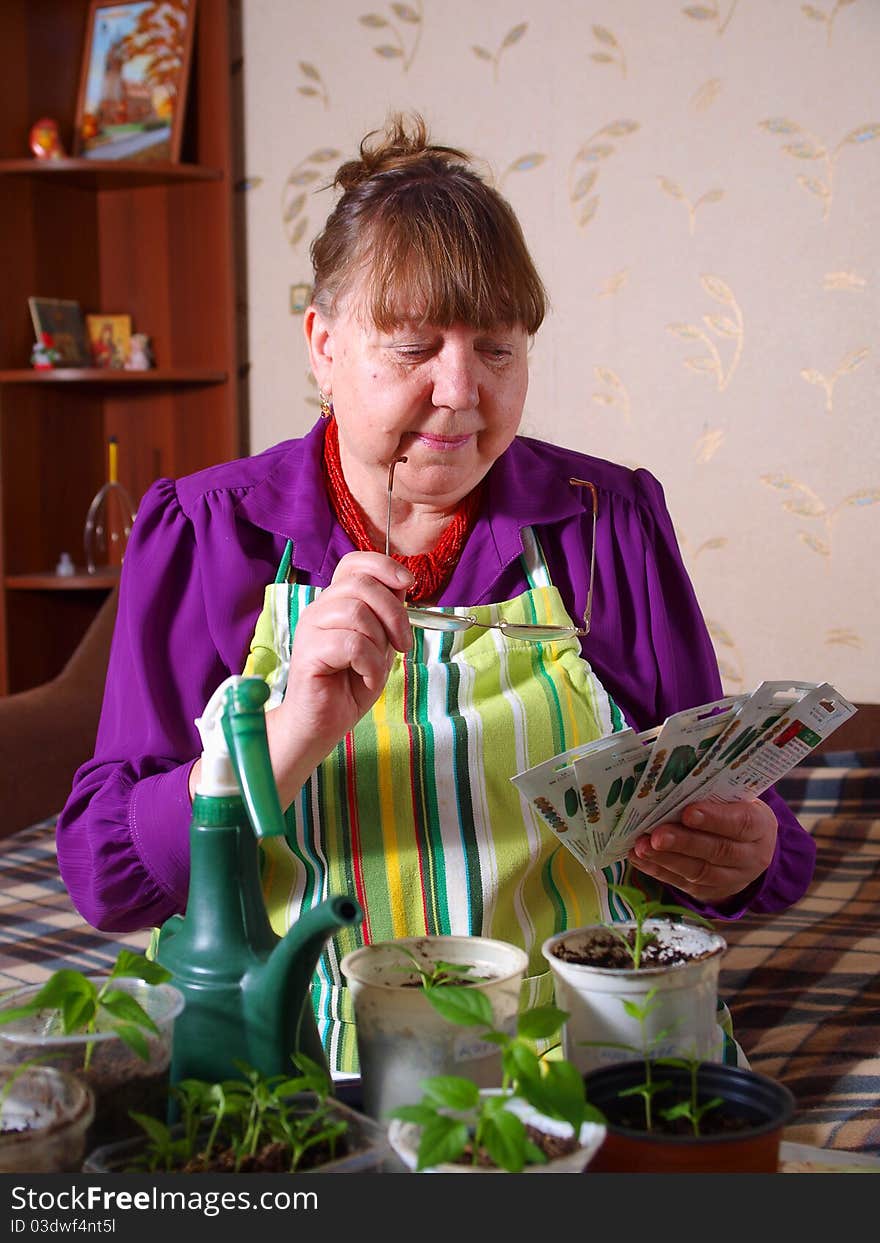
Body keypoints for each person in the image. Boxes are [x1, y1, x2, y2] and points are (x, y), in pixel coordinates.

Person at [56, 114, 815, 1074]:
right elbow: (105, 876)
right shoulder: (209, 533)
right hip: (297, 1067)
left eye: (497, 349)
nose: (461, 392)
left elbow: (732, 808)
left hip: (585, 1052)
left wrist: (744, 853)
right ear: (323, 344)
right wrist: (287, 734)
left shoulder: (602, 521)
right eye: (415, 346)